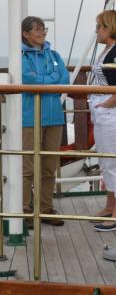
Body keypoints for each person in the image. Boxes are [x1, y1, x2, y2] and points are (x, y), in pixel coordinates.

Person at [21, 16, 70, 228]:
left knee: (50, 167)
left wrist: (43, 82)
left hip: (54, 118)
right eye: (37, 29)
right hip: (30, 119)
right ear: (25, 34)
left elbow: (64, 80)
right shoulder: (20, 57)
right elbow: (28, 80)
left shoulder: (55, 55)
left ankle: (45, 209)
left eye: (43, 29)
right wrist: (51, 79)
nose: (42, 33)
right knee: (28, 168)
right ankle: (24, 211)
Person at [89, 10, 116, 232]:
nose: (96, 31)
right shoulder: (107, 50)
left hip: (112, 113)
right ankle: (110, 205)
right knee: (106, 161)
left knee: (115, 162)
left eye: (99, 27)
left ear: (109, 28)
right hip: (103, 111)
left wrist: (108, 103)